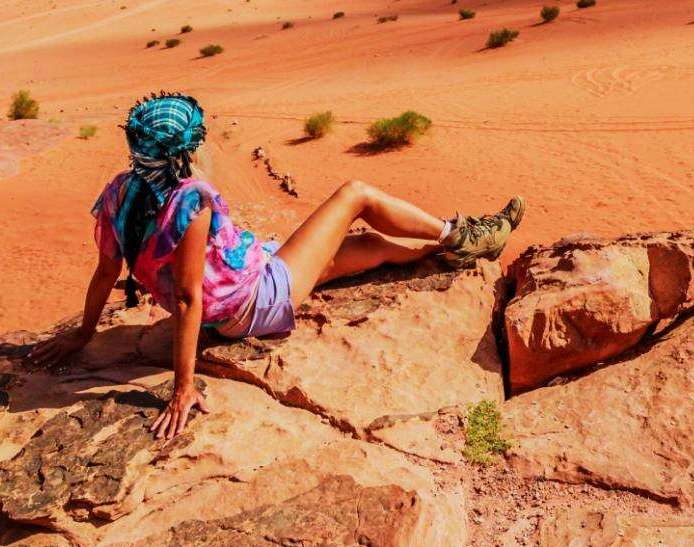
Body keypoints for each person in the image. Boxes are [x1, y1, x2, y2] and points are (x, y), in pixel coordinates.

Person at [27, 92, 523, 440]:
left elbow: (106, 273)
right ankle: (461, 233)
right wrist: (183, 388)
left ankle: (450, 253)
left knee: (366, 247)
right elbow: (187, 297)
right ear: (184, 149)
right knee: (355, 195)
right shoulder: (190, 200)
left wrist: (84, 334)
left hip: (243, 282)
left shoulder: (120, 191)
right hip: (253, 300)